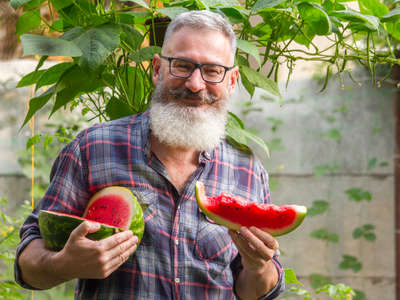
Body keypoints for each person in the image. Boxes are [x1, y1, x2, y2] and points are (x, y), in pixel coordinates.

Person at [15, 10, 285, 300]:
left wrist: (258, 267)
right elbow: (27, 261)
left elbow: (254, 291)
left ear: (231, 82)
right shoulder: (93, 149)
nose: (195, 83)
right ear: (157, 69)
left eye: (212, 71)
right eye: (182, 66)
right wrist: (63, 264)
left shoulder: (246, 168)